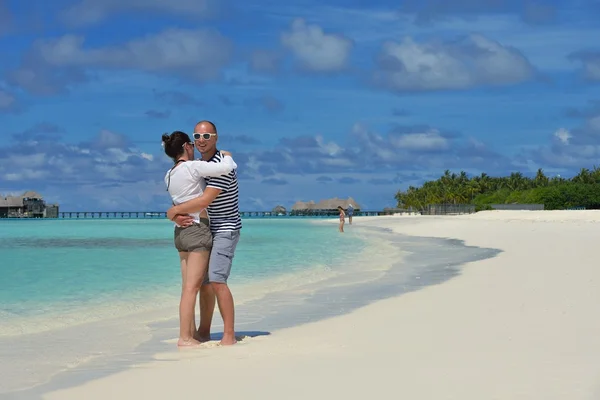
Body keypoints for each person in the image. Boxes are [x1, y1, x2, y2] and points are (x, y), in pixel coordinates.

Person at [166, 120, 241, 346]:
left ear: (216, 138)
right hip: (207, 227)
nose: (201, 140)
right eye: (197, 136)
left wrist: (173, 211)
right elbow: (188, 192)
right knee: (204, 284)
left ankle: (228, 336)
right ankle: (203, 332)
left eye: (206, 136)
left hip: (225, 227)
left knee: (217, 280)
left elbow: (205, 199)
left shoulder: (219, 165)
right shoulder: (198, 165)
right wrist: (175, 214)